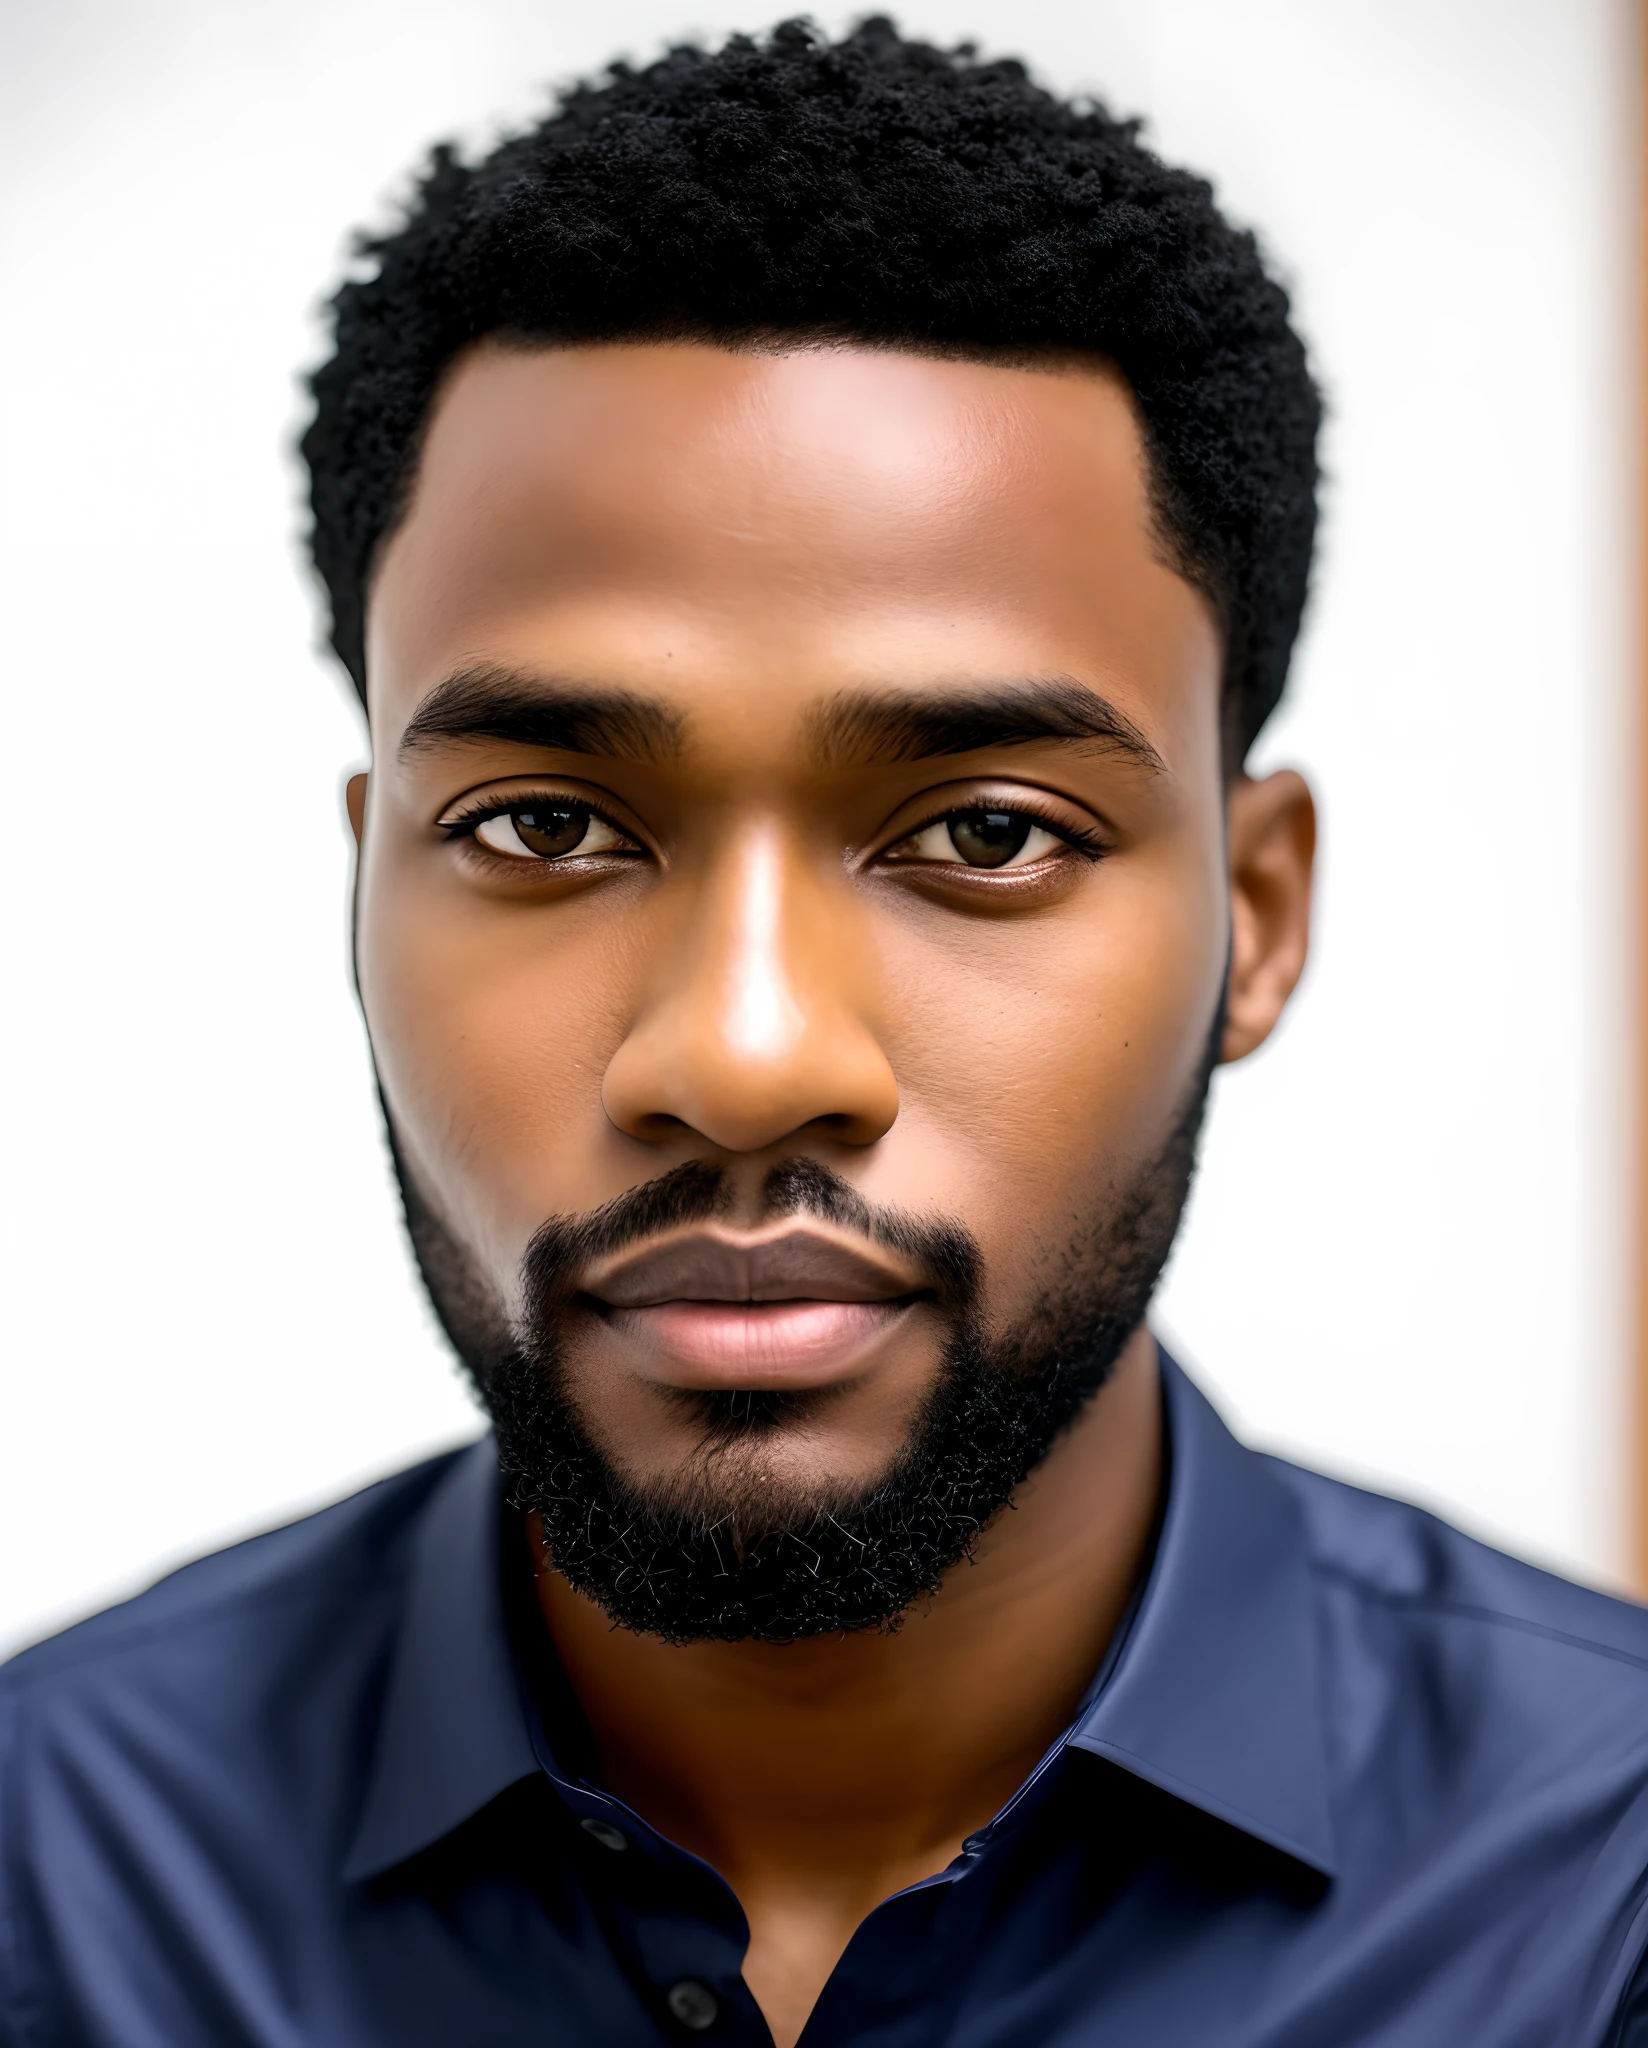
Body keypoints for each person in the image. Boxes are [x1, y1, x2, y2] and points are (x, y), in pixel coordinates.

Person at [5, 18, 1648, 2046]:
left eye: (982, 833)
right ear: (366, 889)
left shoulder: (1603, 1897)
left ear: (1250, 915)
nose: (746, 1053)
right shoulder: (47, 1884)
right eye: (543, 824)